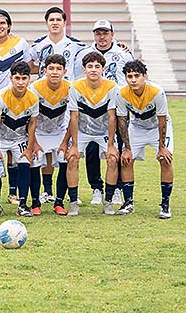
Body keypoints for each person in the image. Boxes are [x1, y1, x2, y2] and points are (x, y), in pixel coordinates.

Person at [70, 19, 134, 206]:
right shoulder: (85, 53)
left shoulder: (123, 53)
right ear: (94, 35)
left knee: (118, 146)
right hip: (91, 105)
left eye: (105, 33)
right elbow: (78, 77)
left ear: (112, 35)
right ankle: (96, 187)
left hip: (118, 105)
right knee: (91, 148)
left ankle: (117, 188)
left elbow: (131, 77)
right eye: (98, 33)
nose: (102, 37)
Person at [0, 9, 33, 205]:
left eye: (3, 23)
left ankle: (13, 192)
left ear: (9, 25)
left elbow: (27, 69)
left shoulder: (20, 44)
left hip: (16, 103)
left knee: (14, 148)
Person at [116, 60, 174, 219]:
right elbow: (122, 121)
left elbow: (162, 120)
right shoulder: (121, 93)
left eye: (137, 76)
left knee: (165, 159)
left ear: (144, 76)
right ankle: (128, 203)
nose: (133, 80)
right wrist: (127, 148)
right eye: (129, 76)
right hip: (137, 127)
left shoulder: (157, 92)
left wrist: (162, 147)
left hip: (158, 127)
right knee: (126, 160)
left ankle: (165, 204)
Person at [64, 51, 120, 216]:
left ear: (103, 69)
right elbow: (74, 117)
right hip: (83, 131)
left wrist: (111, 144)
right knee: (72, 158)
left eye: (97, 66)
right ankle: (73, 203)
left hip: (103, 131)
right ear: (84, 69)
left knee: (112, 158)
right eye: (90, 66)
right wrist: (74, 145)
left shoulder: (112, 87)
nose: (93, 69)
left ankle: (108, 203)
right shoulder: (75, 87)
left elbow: (112, 117)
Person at [0, 61, 40, 218]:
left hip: (19, 138)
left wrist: (29, 149)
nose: (21, 82)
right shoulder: (0, 98)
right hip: (1, 139)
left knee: (25, 164)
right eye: (17, 78)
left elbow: (32, 125)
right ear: (11, 79)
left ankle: (22, 204)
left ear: (29, 79)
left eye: (24, 78)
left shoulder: (33, 98)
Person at [28, 54, 71, 215]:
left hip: (59, 131)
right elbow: (30, 119)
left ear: (64, 71)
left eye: (59, 69)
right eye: (51, 68)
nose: (54, 72)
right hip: (38, 132)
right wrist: (34, 143)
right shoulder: (35, 88)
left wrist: (65, 142)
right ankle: (35, 203)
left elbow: (73, 117)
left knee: (65, 159)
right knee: (35, 160)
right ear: (44, 71)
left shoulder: (70, 88)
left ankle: (59, 202)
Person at [30, 7, 85, 77]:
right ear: (46, 23)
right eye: (51, 20)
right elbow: (29, 66)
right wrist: (43, 69)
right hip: (45, 83)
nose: (55, 23)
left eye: (58, 20)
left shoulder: (76, 44)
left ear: (64, 23)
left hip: (67, 83)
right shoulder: (38, 44)